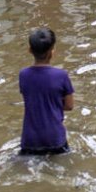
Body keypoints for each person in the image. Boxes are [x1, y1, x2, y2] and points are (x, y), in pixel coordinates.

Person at [19, 27, 75, 155]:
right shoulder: (62, 75)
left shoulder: (23, 75)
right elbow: (69, 106)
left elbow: (31, 98)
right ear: (52, 52)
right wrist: (55, 101)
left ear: (30, 50)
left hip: (30, 139)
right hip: (54, 138)